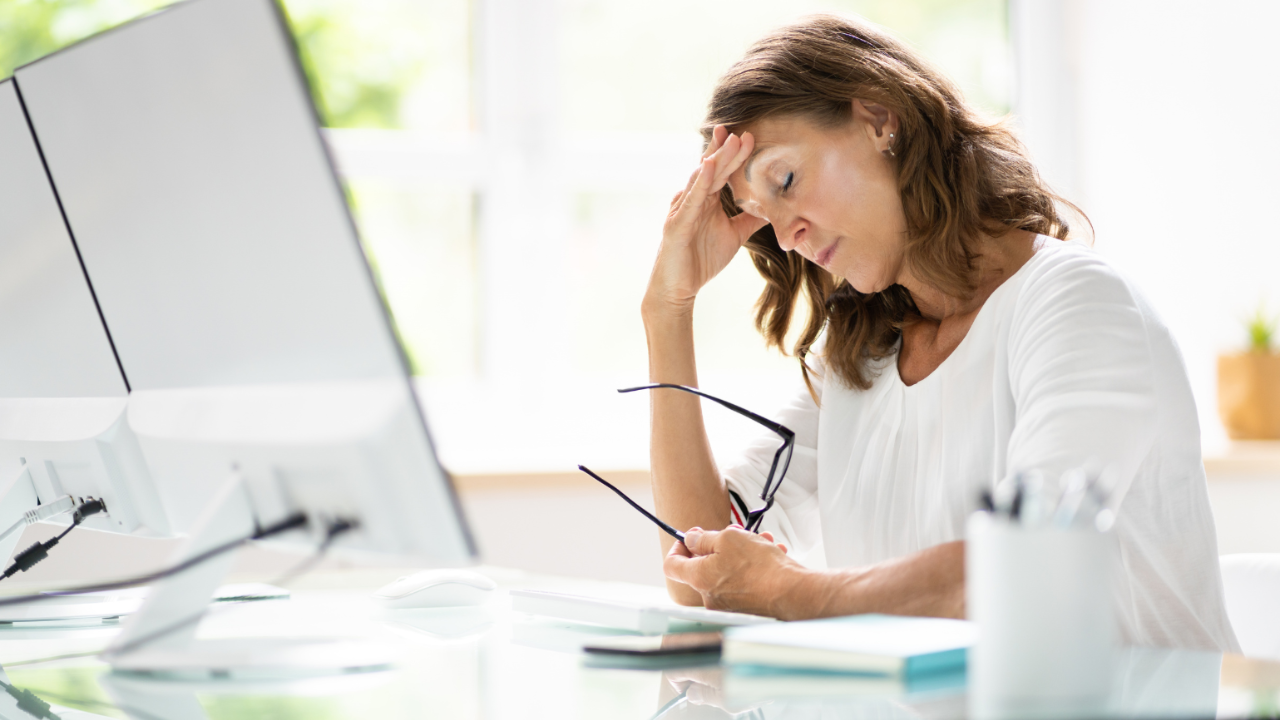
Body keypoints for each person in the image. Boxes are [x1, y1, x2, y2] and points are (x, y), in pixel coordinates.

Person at [645, 14, 1238, 652]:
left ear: (879, 118)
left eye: (785, 181)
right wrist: (668, 311)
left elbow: (1027, 571)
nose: (786, 234)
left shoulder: (1078, 307)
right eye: (762, 217)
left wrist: (792, 593)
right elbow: (700, 574)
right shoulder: (860, 358)